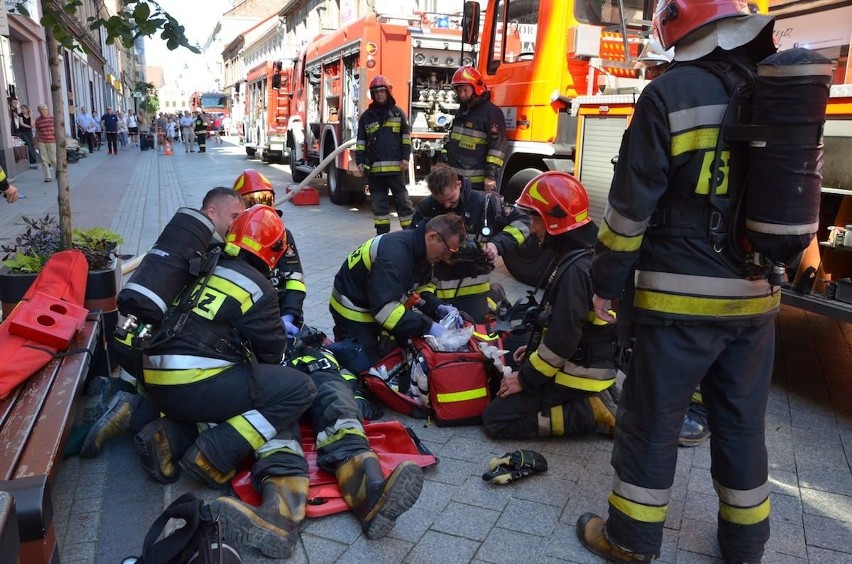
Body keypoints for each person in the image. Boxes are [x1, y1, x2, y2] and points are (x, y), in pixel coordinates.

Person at [575, 3, 780, 563]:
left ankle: (631, 540)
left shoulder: (670, 94)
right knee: (741, 426)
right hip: (757, 297)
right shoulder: (770, 88)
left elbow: (629, 211)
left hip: (679, 298)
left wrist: (606, 281)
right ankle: (746, 547)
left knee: (653, 421)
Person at [140, 205, 317, 558]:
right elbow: (271, 356)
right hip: (190, 384)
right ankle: (213, 454)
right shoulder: (260, 286)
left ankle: (169, 437)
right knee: (297, 389)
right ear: (274, 251)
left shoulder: (203, 263)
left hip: (155, 379)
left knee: (227, 389)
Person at [213, 337, 424, 556]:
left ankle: (372, 494)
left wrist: (358, 394)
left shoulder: (314, 344)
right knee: (275, 430)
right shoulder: (250, 345)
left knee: (340, 412)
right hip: (275, 389)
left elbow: (347, 375)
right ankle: (277, 519)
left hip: (318, 380)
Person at [81, 187, 248, 461]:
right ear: (211, 212)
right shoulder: (213, 252)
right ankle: (136, 411)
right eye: (233, 216)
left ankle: (118, 397)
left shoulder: (177, 243)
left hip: (128, 342)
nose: (236, 225)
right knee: (203, 398)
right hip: (160, 358)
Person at [481, 172, 618, 439]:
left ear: (555, 222)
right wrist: (532, 349)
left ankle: (591, 410)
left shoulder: (576, 269)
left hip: (579, 372)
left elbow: (563, 339)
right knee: (509, 357)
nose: (532, 229)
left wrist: (525, 379)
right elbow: (562, 324)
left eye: (535, 220)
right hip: (583, 361)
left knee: (497, 419)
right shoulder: (581, 253)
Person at [330, 213, 467, 363]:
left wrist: (437, 306)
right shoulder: (394, 257)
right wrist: (428, 327)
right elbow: (385, 311)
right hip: (352, 310)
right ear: (433, 237)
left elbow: (420, 289)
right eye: (448, 250)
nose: (447, 257)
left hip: (375, 303)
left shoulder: (422, 251)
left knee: (400, 353)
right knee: (370, 368)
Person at [410, 164, 530, 321]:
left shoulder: (485, 203)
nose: (446, 206)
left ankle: (495, 294)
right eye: (441, 201)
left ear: (458, 184)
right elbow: (414, 242)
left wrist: (497, 244)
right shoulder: (427, 207)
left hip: (474, 293)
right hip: (438, 295)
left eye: (450, 199)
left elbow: (524, 221)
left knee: (476, 334)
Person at [232, 169, 307, 337]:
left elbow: (295, 280)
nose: (260, 208)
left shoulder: (282, 234)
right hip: (247, 320)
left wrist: (289, 316)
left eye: (265, 200)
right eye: (252, 201)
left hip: (281, 312)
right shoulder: (232, 236)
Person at [355, 75, 415, 235]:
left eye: (382, 91)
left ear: (388, 92)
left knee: (403, 203)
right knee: (379, 206)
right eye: (376, 92)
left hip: (396, 170)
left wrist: (405, 157)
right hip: (375, 172)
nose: (379, 95)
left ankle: (409, 234)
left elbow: (406, 139)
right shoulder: (366, 117)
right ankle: (382, 237)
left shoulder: (398, 114)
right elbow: (360, 141)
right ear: (372, 95)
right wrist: (360, 161)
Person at [444, 66, 507, 191]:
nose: (462, 95)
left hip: (476, 183)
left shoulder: (492, 113)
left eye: (465, 90)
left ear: (476, 88)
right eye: (459, 91)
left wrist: (491, 176)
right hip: (456, 180)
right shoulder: (463, 111)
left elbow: (496, 148)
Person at [34, 104, 56, 183]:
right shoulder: (37, 120)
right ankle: (48, 177)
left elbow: (57, 130)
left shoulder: (52, 118)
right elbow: (37, 132)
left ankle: (58, 173)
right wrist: (35, 142)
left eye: (43, 109)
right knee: (44, 160)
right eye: (40, 110)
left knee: (53, 159)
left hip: (52, 141)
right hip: (42, 141)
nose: (41, 111)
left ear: (47, 110)